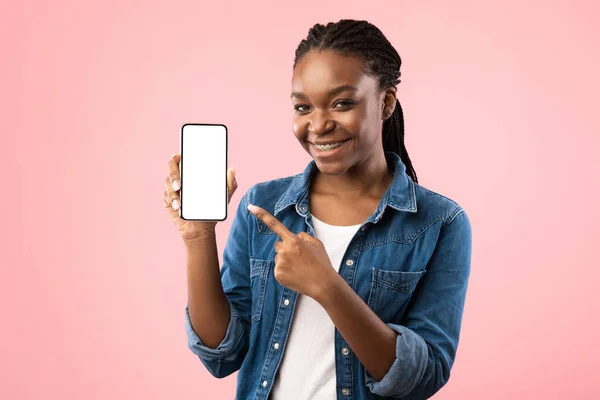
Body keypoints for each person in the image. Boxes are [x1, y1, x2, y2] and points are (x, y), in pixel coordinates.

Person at [163, 19, 472, 400]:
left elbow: (421, 378)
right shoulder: (262, 207)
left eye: (342, 103)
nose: (319, 124)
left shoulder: (439, 223)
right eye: (303, 107)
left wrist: (327, 286)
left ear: (386, 101)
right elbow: (222, 354)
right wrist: (198, 236)